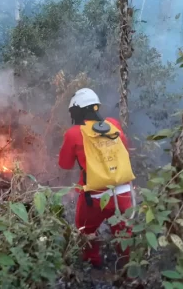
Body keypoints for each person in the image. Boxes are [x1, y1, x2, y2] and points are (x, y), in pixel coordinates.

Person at [58, 88, 133, 269]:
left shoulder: (74, 133)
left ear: (76, 111)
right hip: (124, 193)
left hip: (95, 197)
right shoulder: (113, 124)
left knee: (86, 229)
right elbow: (125, 148)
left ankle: (92, 262)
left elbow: (65, 164)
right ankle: (128, 271)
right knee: (124, 235)